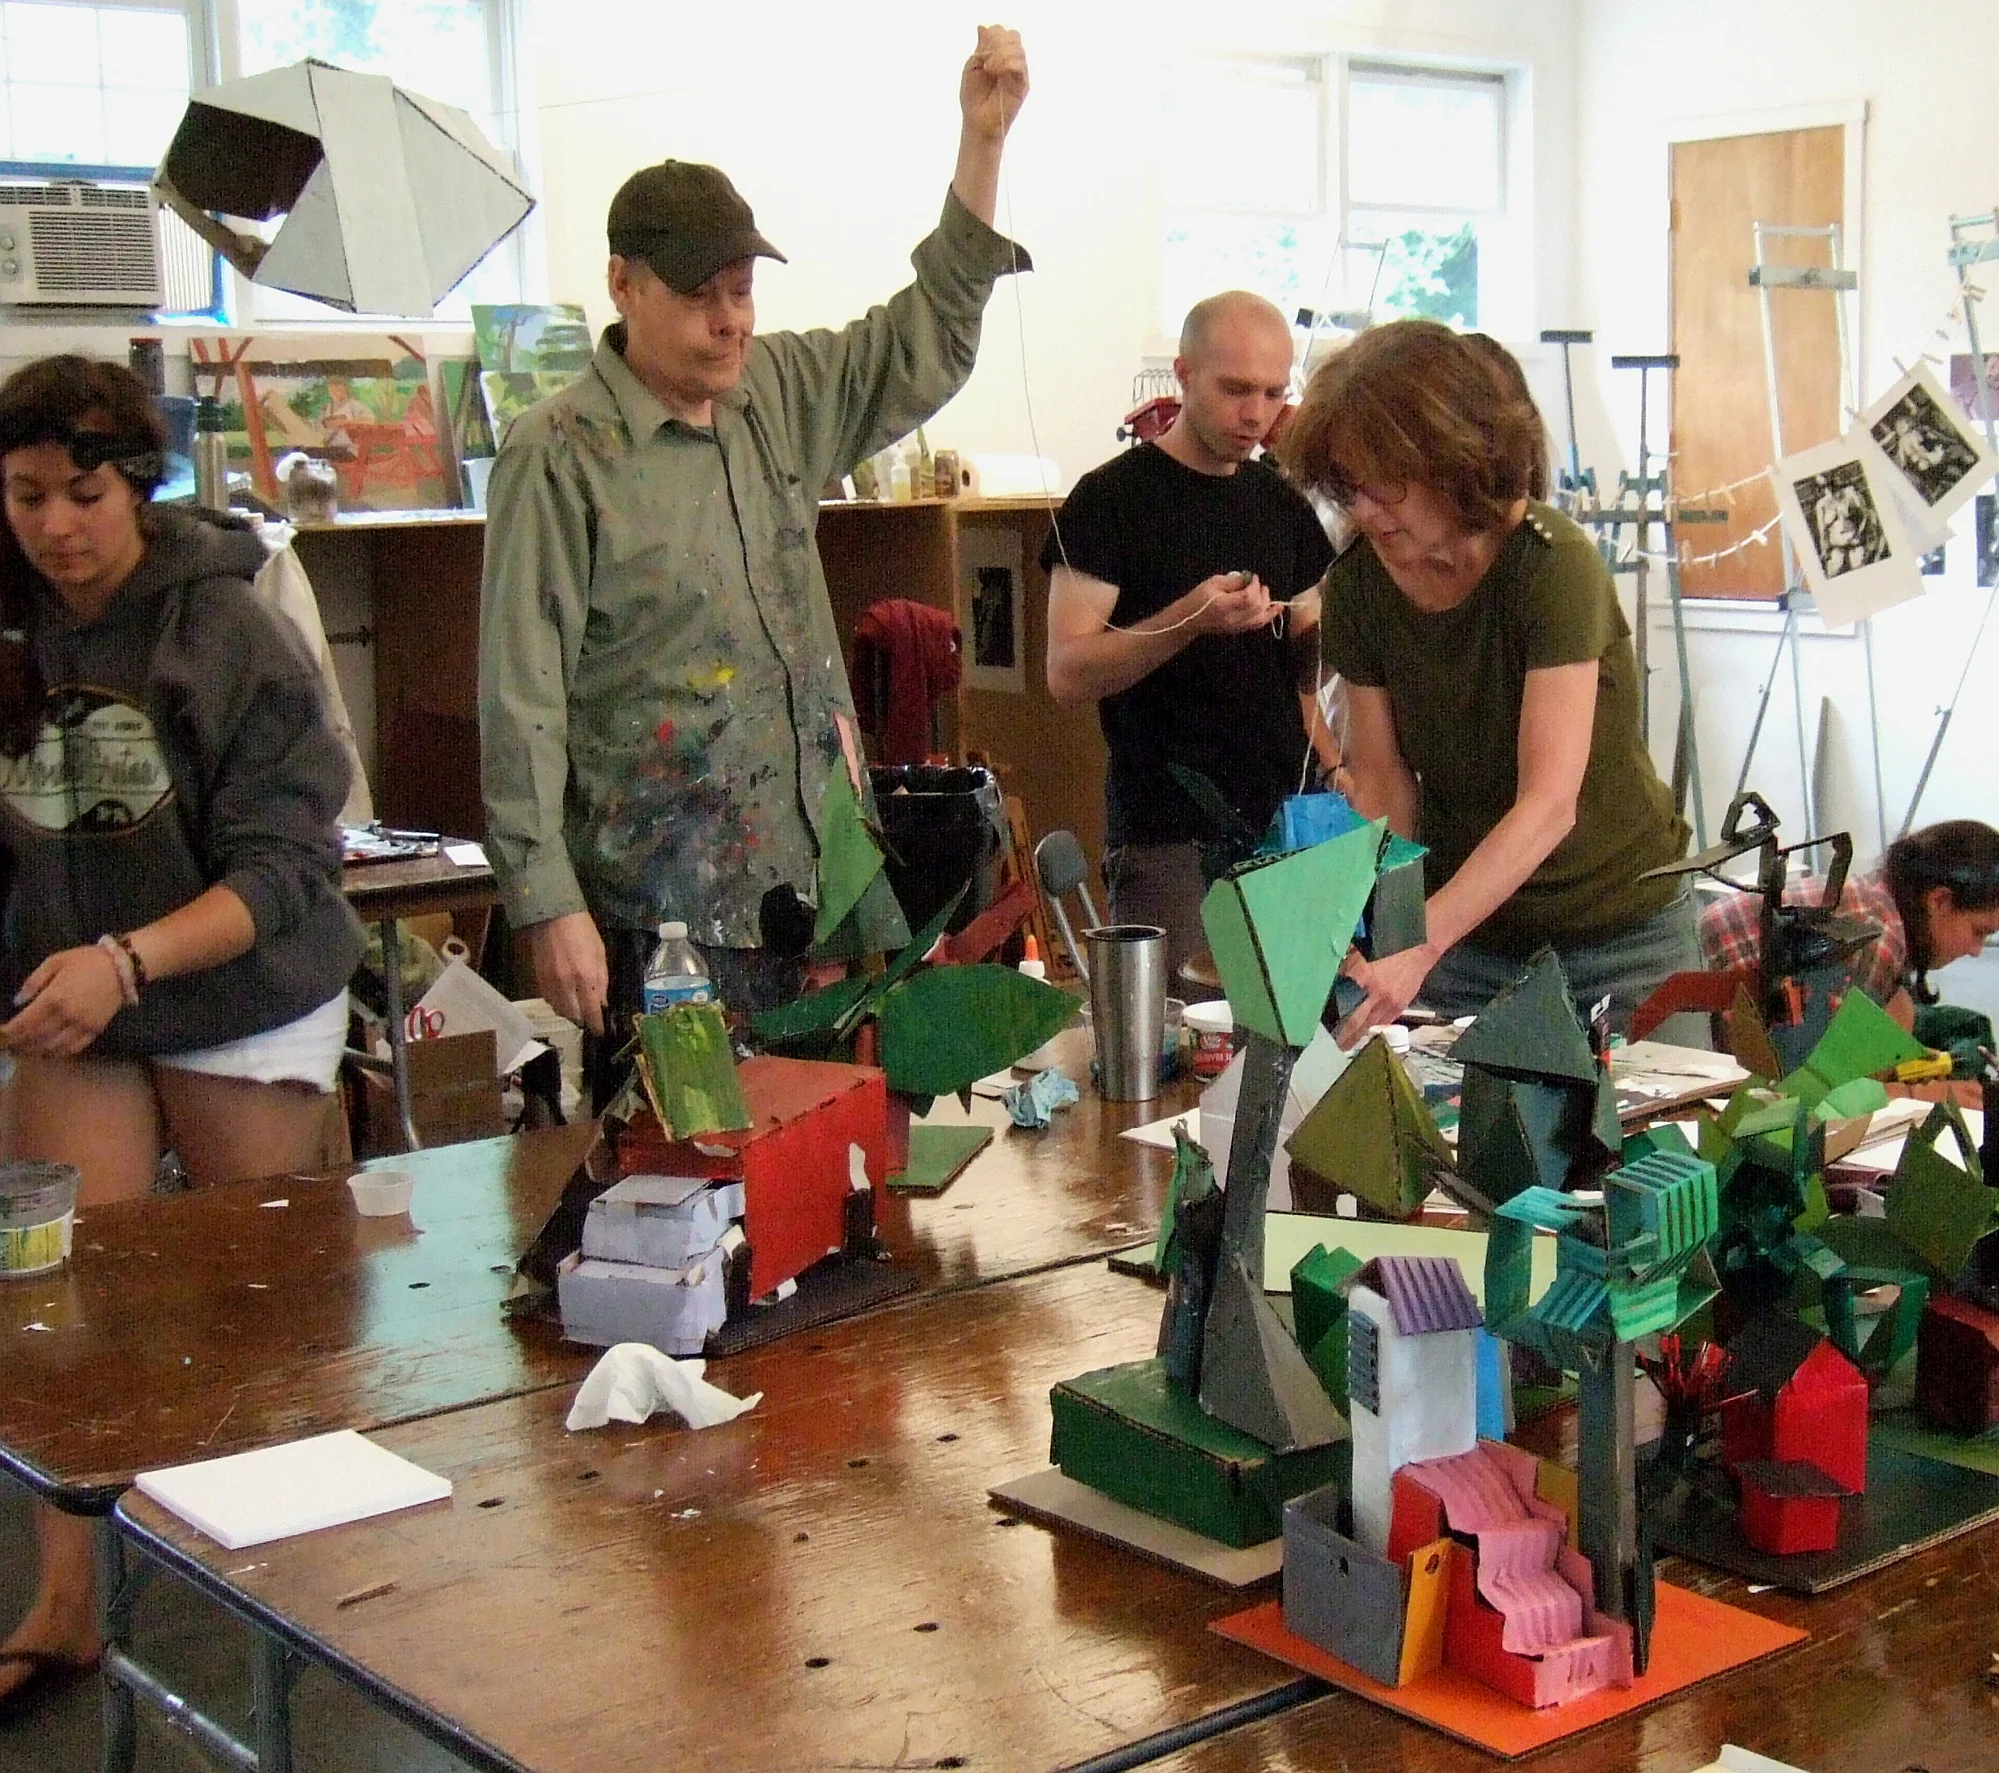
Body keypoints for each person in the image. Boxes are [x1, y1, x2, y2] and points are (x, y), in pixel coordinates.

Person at [479, 27, 1031, 1055]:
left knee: (818, 1173)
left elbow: (926, 339)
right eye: (700, 295)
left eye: (742, 289)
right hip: (657, 914)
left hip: (814, 889)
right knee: (680, 1194)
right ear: (622, 285)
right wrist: (542, 901)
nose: (730, 319)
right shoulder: (559, 455)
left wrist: (983, 144)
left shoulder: (778, 392)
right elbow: (521, 698)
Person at [0, 354, 363, 1707]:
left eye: (81, 493)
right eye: (25, 495)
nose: (54, 527)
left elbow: (283, 874)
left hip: (239, 986)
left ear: (135, 487)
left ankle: (309, 1596)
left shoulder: (227, 626)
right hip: (74, 997)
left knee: (257, 1303)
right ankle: (64, 1601)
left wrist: (123, 959)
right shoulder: (10, 623)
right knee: (54, 1298)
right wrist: (65, 972)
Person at [1275, 323, 1694, 1043]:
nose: (1366, 509)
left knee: (1658, 1148)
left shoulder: (1552, 564)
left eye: (1385, 481)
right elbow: (1383, 783)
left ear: (1451, 458)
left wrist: (1421, 939)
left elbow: (1549, 803)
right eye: (1349, 486)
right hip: (1475, 943)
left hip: (1626, 937)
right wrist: (1385, 924)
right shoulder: (1359, 587)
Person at [1043, 290, 1336, 975]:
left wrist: (1320, 653)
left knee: (1295, 1043)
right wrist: (1190, 621)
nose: (1255, 414)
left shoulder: (1282, 503)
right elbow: (1066, 673)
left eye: (1271, 392)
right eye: (1235, 389)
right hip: (1168, 837)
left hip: (1285, 823)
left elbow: (1302, 681)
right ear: (1182, 373)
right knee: (1174, 1046)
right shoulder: (1110, 501)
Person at [1699, 819, 1999, 1031]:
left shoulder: (1877, 899)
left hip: (1708, 970)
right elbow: (1811, 1079)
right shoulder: (1877, 937)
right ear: (1940, 901)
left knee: (1898, 1010)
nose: (1976, 951)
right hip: (1697, 1019)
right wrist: (1928, 1091)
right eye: (1979, 932)